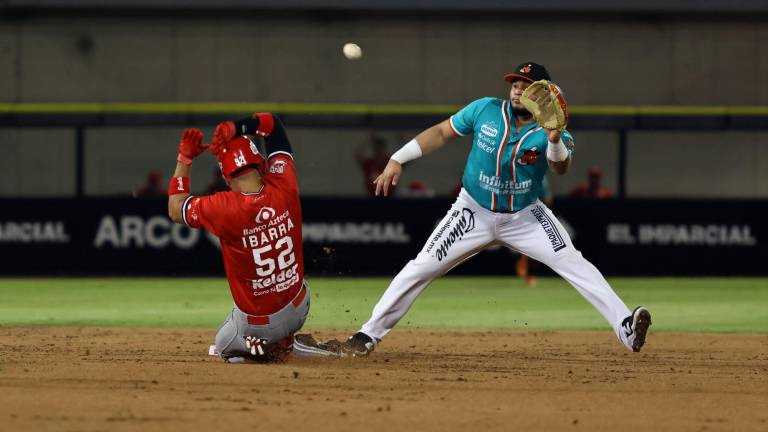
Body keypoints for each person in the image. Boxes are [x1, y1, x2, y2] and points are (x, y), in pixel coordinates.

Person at [331, 62, 651, 356]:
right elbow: (442, 132)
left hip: (524, 216)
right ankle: (366, 335)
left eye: (526, 86)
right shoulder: (485, 109)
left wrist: (553, 138)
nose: (516, 90)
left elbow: (561, 166)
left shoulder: (552, 132)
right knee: (421, 267)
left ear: (542, 95)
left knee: (573, 262)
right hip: (473, 211)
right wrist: (398, 158)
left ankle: (626, 328)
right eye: (514, 84)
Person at [167, 113, 313, 362]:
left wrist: (185, 159)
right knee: (256, 298)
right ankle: (283, 338)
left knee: (223, 346)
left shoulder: (223, 206)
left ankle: (274, 348)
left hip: (262, 326)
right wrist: (237, 127)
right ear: (261, 162)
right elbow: (273, 125)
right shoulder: (284, 181)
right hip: (300, 306)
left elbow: (175, 208)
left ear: (226, 178)